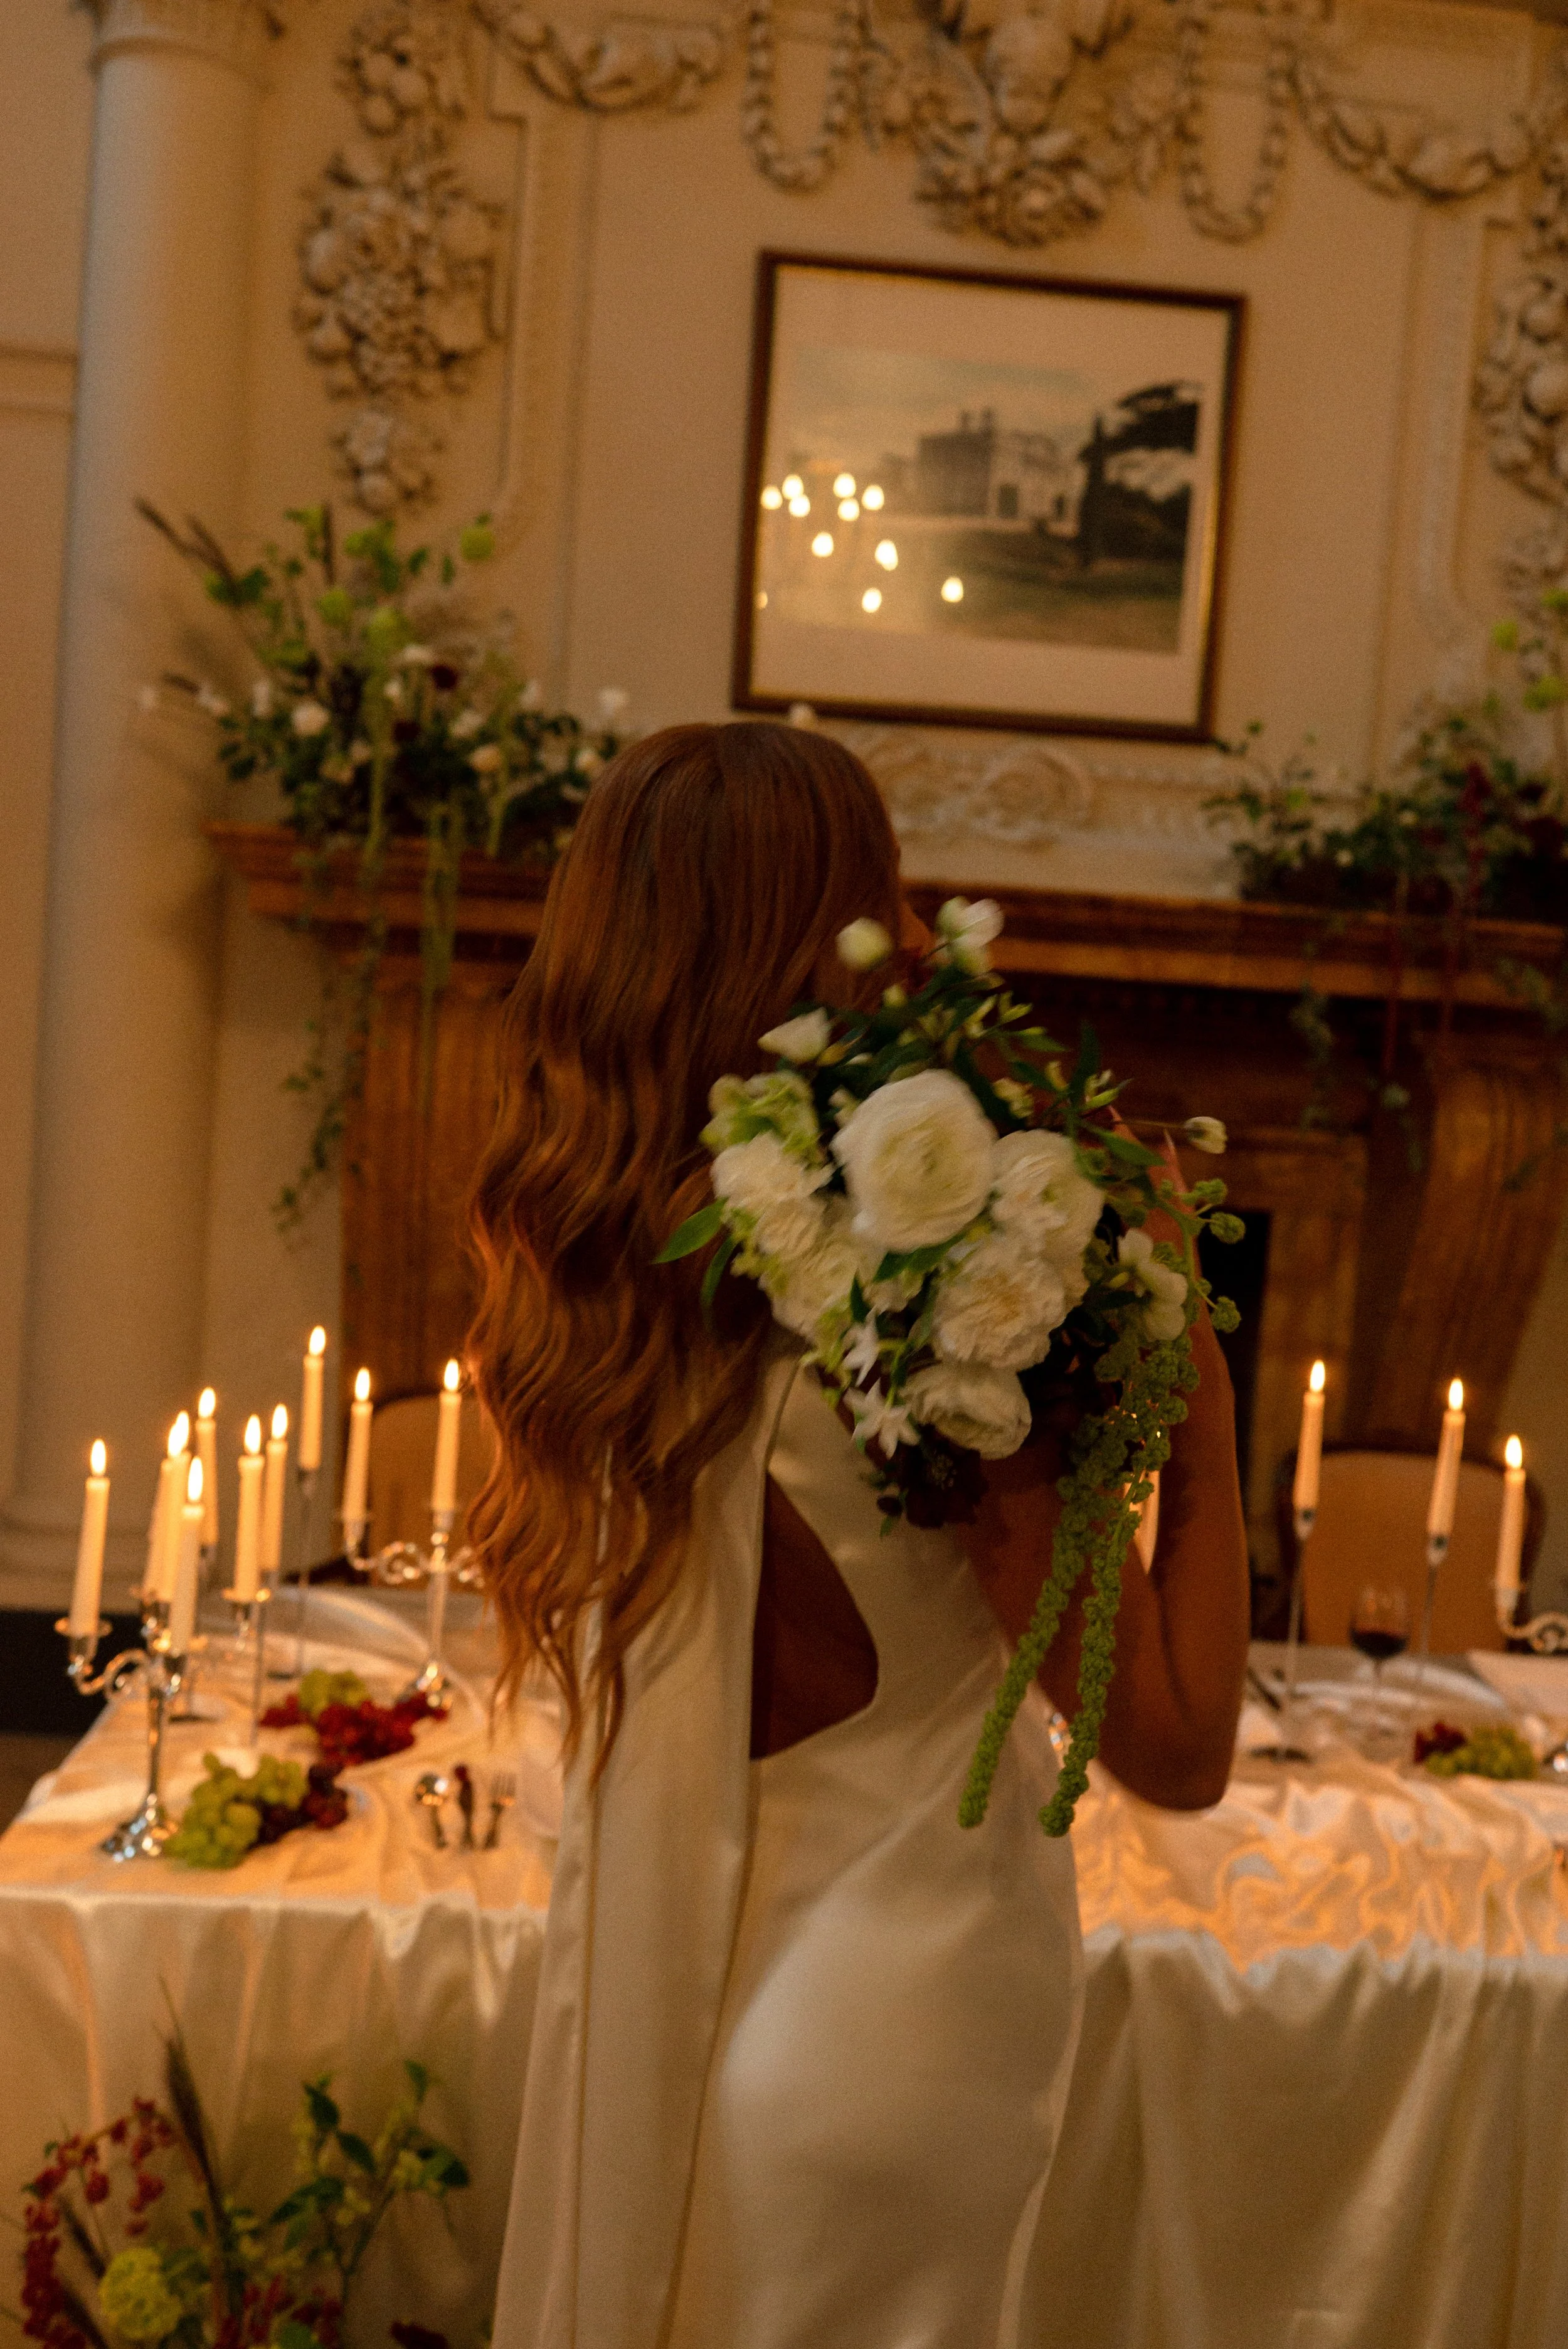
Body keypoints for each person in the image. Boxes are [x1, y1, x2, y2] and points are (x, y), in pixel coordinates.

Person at [470, 721, 1249, 2349]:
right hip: (904, 2021)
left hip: (661, 2016)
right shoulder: (932, 1318)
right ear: (858, 923)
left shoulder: (592, 1301)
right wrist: (1193, 1370)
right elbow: (1175, 1750)